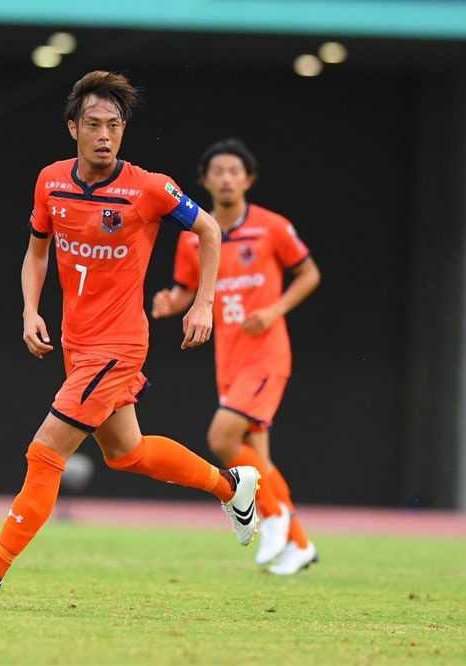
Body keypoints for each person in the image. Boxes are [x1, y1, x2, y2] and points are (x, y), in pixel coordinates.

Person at [0, 72, 261, 602]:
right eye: (93, 124)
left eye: (114, 125)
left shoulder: (150, 188)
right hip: (77, 342)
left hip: (117, 348)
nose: (105, 135)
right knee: (127, 452)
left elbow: (209, 229)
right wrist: (29, 310)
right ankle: (232, 486)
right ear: (73, 128)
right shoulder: (50, 182)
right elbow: (37, 251)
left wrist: (202, 303)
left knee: (45, 452)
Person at [152, 138, 321, 575]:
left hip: (266, 354)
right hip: (227, 357)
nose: (227, 178)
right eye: (218, 171)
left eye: (235, 171)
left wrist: (274, 309)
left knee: (222, 437)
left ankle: (275, 517)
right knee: (258, 457)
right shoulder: (195, 238)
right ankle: (299, 546)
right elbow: (188, 288)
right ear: (205, 180)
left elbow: (309, 272)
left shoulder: (271, 227)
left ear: (248, 180)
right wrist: (173, 302)